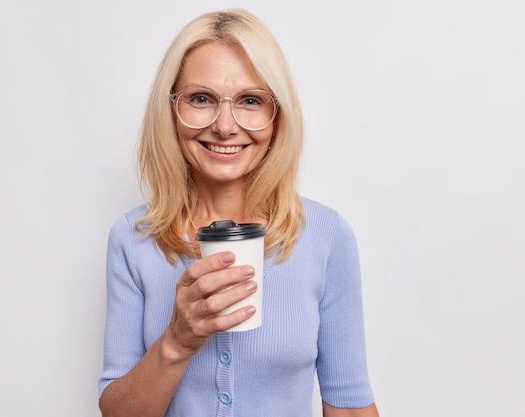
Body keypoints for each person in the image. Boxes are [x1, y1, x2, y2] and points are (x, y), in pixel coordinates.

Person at [98, 8, 379, 417]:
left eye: (250, 101)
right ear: (171, 110)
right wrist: (177, 342)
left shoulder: (325, 236)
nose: (225, 126)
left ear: (277, 115)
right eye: (200, 99)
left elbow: (350, 408)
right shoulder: (133, 238)